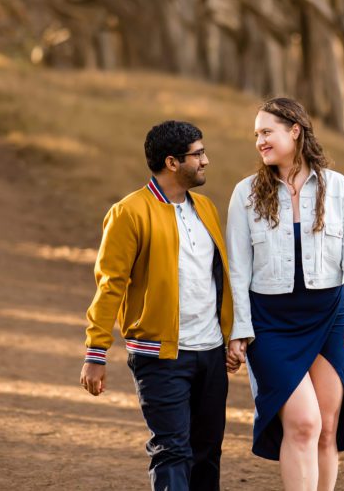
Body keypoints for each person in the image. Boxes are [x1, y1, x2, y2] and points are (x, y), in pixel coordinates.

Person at [225, 98, 344, 491]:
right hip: (271, 325)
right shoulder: (245, 194)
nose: (259, 141)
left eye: (267, 131)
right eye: (256, 134)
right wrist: (239, 330)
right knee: (304, 423)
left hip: (330, 319)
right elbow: (237, 270)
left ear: (295, 130)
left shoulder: (337, 188)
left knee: (327, 427)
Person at [80, 120, 234, 491]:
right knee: (172, 450)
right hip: (160, 355)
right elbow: (111, 284)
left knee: (207, 452)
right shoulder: (129, 212)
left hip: (210, 351)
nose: (206, 161)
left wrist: (233, 336)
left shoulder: (206, 209)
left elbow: (221, 277)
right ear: (172, 162)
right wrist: (96, 353)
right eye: (198, 155)